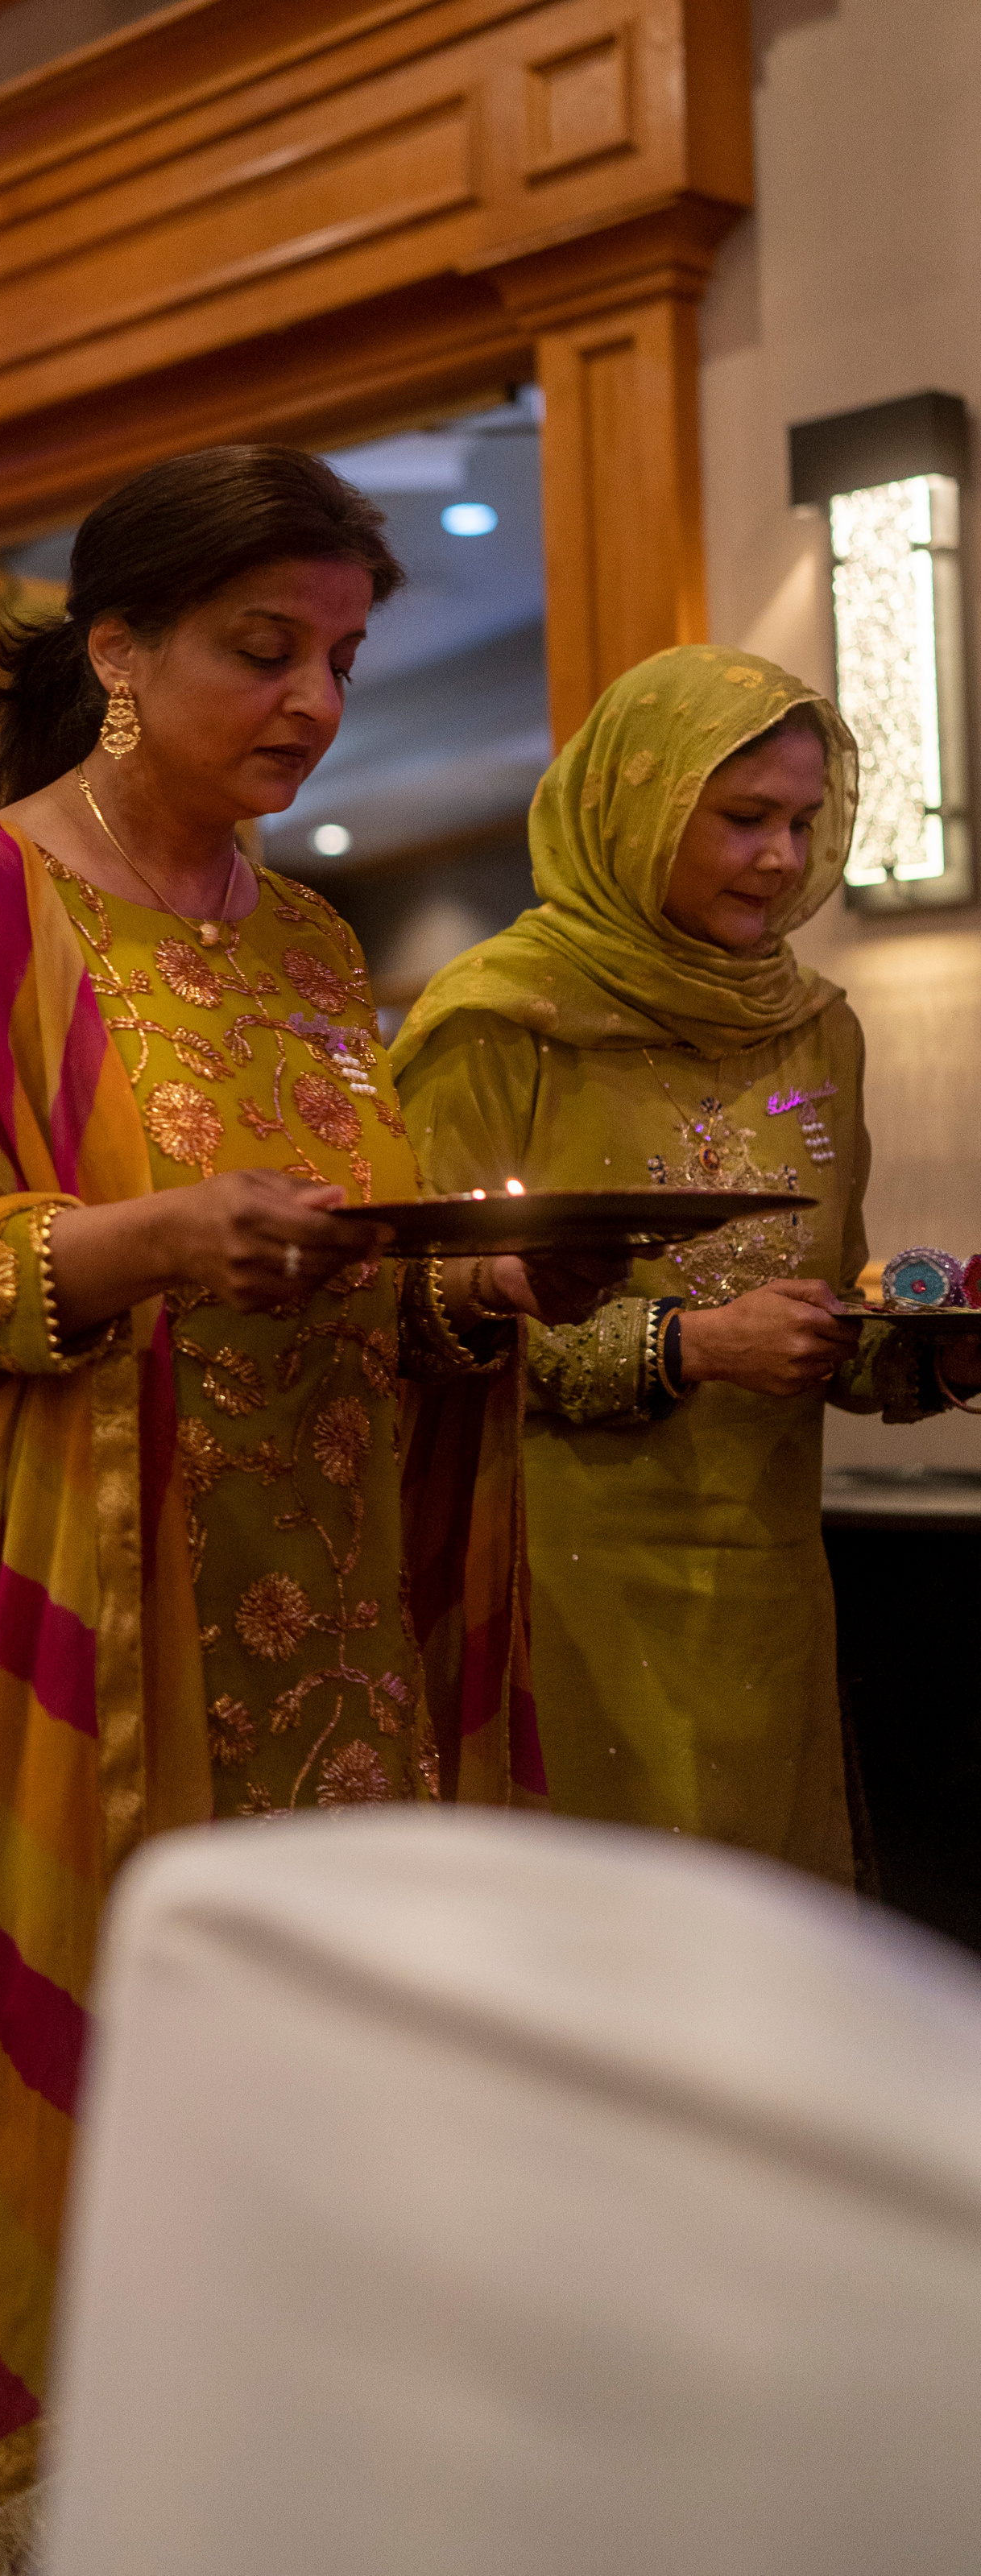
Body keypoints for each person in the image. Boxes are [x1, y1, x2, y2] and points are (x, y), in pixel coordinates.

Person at [0, 447, 615, 2571]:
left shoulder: (317, 936)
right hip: (87, 1635)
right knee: (87, 2098)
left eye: (342, 652)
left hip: (325, 1623)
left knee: (303, 2095)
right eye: (265, 648)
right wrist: (139, 1241)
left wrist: (487, 1290)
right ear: (119, 647)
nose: (315, 698)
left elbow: (364, 1254)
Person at [392, 645, 981, 1885]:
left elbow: (828, 1301)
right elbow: (411, 1319)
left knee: (759, 1964)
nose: (781, 855)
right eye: (742, 817)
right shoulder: (499, 1020)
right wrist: (688, 1345)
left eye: (804, 820)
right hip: (552, 1585)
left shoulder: (815, 1022)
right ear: (637, 807)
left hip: (763, 1587)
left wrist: (937, 1343)